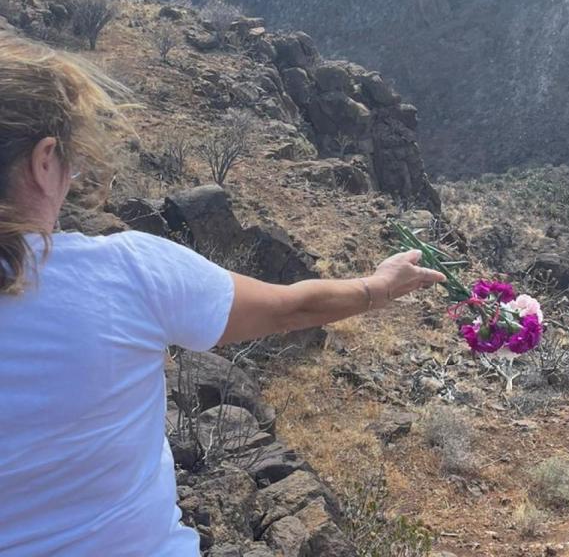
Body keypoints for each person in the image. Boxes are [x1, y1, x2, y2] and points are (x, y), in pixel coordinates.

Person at [0, 33, 445, 556]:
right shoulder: (129, 273)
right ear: (44, 159)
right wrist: (378, 286)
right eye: (69, 159)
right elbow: (291, 308)